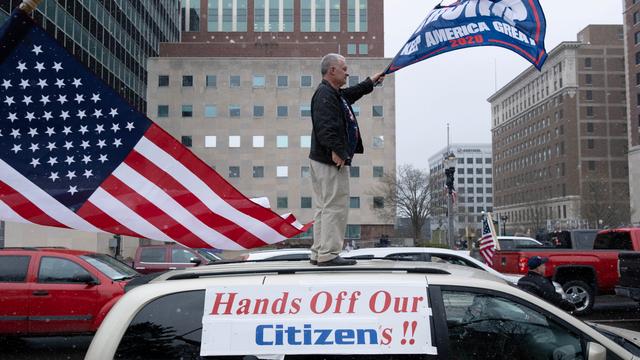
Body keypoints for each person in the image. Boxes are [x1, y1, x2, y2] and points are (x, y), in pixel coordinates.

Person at [308, 53, 385, 266]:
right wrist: (337, 151)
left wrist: (371, 82)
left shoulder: (332, 94)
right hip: (329, 160)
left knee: (324, 207)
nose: (347, 72)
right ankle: (330, 254)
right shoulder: (325, 95)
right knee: (335, 206)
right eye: (344, 68)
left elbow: (350, 94)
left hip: (322, 159)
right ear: (332, 70)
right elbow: (325, 127)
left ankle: (319, 252)